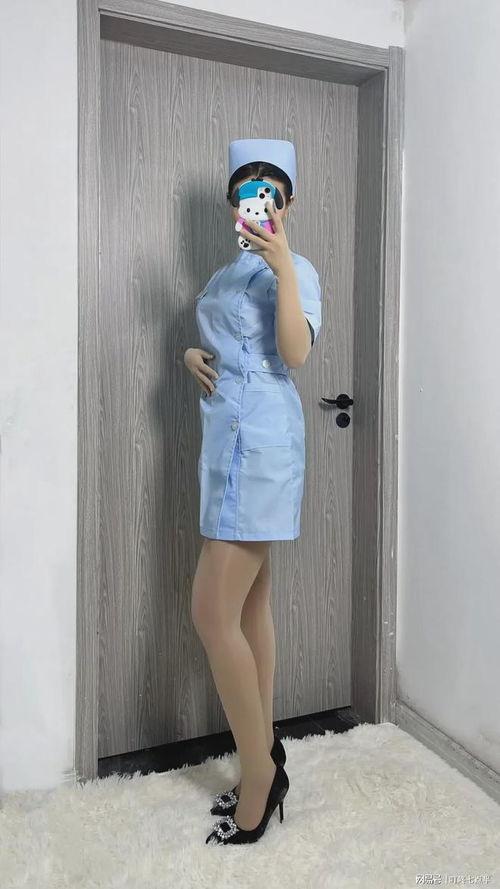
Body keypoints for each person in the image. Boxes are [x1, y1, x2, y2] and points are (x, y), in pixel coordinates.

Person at [183, 139, 322, 845]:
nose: (259, 205)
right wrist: (191, 353)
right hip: (222, 444)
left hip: (263, 445)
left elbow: (294, 353)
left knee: (212, 613)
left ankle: (261, 775)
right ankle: (264, 754)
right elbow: (221, 338)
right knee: (249, 607)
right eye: (247, 194)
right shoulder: (222, 273)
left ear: (288, 204)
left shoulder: (296, 268)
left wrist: (283, 265)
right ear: (233, 204)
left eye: (271, 194)